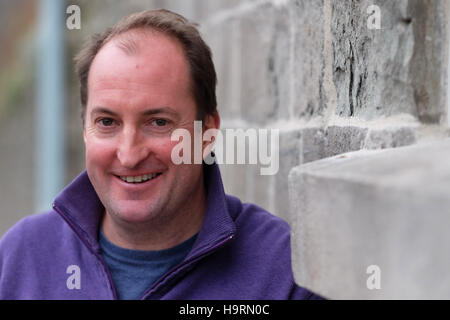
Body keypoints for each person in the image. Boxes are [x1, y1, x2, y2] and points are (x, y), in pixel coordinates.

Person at [0, 9, 323, 300]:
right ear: (85, 131)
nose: (129, 155)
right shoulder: (19, 258)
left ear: (207, 132)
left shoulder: (284, 274)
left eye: (158, 122)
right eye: (107, 122)